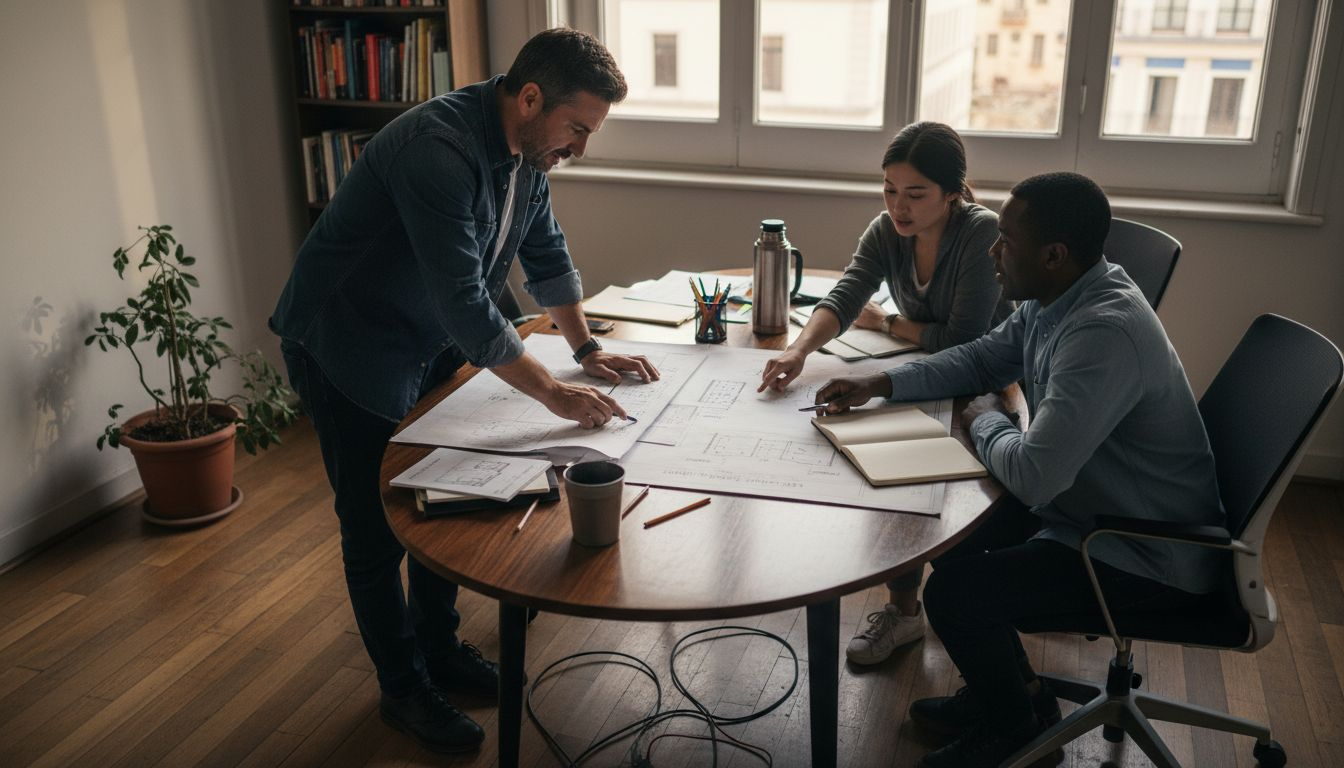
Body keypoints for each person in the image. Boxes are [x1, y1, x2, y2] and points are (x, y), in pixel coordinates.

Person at [270, 28, 660, 754]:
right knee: (373, 523)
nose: (580, 146)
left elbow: (543, 251)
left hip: (426, 331)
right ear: (532, 97)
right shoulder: (436, 150)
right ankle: (404, 688)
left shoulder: (531, 152)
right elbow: (465, 302)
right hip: (351, 337)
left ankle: (439, 648)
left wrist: (585, 347)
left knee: (439, 491)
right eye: (578, 128)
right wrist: (553, 393)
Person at [812, 172, 1224, 767]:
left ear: (1053, 255)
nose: (992, 250)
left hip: (1142, 550)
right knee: (951, 540)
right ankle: (1017, 698)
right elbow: (983, 358)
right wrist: (881, 382)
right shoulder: (1060, 295)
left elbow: (1031, 476)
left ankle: (1017, 736)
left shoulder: (1102, 332)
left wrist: (985, 420)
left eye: (1005, 239)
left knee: (957, 593)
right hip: (1093, 509)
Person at [758, 121, 1011, 665]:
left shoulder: (981, 233)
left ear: (952, 191)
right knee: (881, 465)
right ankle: (907, 613)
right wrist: (799, 351)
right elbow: (848, 292)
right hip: (922, 372)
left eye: (916, 193)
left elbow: (964, 341)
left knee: (921, 484)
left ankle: (951, 614)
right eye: (890, 190)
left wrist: (892, 325)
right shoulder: (886, 230)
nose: (899, 206)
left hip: (985, 386)